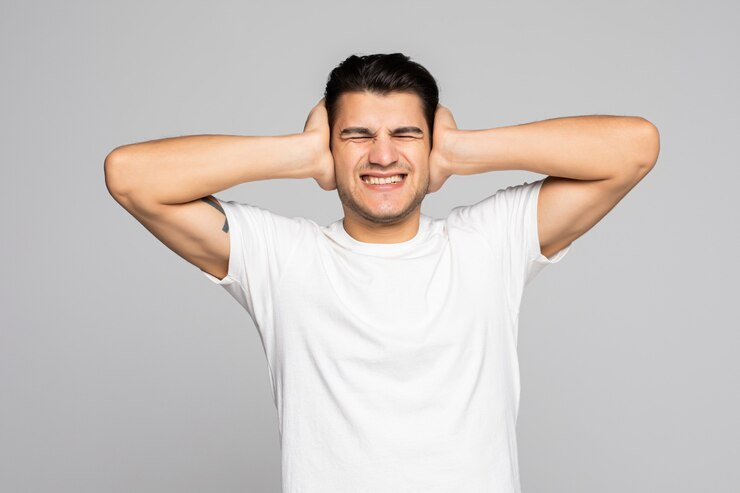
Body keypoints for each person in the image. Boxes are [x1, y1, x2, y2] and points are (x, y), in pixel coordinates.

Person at [104, 53, 660, 493]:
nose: (383, 155)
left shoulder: (489, 243)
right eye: (358, 136)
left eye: (405, 134)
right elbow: (130, 176)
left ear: (432, 143)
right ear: (331, 147)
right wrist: (298, 154)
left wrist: (464, 151)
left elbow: (634, 147)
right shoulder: (283, 258)